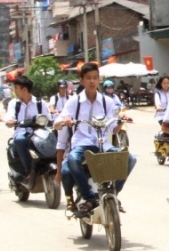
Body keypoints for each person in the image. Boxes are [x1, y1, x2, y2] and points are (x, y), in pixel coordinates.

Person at [55, 63, 136, 214]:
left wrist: (121, 120)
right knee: (72, 159)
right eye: (88, 78)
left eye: (95, 78)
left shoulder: (107, 101)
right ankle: (89, 197)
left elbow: (113, 129)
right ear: (82, 80)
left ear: (99, 80)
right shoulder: (74, 102)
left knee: (130, 158)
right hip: (82, 143)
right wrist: (64, 121)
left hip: (103, 144)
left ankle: (113, 192)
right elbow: (57, 123)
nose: (92, 81)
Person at [6, 75, 52, 187]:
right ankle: (28, 172)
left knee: (52, 140)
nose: (14, 91)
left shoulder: (40, 103)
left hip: (39, 133)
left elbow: (49, 119)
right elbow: (8, 119)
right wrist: (11, 121)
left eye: (16, 88)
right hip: (21, 132)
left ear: (24, 89)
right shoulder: (14, 103)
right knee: (20, 140)